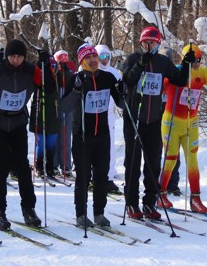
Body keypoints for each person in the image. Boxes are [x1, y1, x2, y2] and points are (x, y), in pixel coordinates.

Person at [0, 39, 54, 229]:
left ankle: (29, 208)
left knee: (22, 167)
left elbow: (49, 88)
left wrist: (46, 65)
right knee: (1, 167)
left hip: (18, 121)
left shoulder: (30, 70)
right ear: (7, 56)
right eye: (13, 56)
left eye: (19, 56)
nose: (16, 60)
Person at [120, 26, 190, 219]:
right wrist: (140, 64)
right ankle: (132, 203)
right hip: (134, 119)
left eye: (152, 42)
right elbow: (127, 80)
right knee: (133, 163)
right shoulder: (134, 58)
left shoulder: (163, 61)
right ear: (141, 43)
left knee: (153, 162)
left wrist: (187, 64)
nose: (148, 45)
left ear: (158, 43)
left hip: (153, 119)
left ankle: (150, 203)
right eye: (145, 42)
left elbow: (179, 80)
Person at [158, 44, 207, 213]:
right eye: (193, 62)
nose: (196, 66)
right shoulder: (175, 72)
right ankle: (161, 193)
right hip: (171, 122)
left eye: (198, 62)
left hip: (191, 122)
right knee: (171, 158)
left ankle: (196, 199)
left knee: (192, 160)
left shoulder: (203, 73)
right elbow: (157, 90)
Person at [69, 44, 123, 228]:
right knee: (83, 176)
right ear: (82, 61)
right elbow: (65, 106)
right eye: (88, 58)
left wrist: (124, 88)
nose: (93, 61)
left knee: (101, 175)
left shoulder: (107, 77)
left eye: (94, 57)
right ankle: (81, 214)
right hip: (82, 135)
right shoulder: (77, 79)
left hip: (102, 134)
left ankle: (99, 212)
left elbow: (121, 102)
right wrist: (76, 91)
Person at [30, 49, 62, 178]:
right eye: (51, 66)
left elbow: (53, 86)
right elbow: (37, 78)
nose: (54, 68)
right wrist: (40, 64)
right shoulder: (41, 71)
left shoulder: (59, 76)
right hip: (40, 110)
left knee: (51, 142)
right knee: (41, 142)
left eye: (55, 66)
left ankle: (50, 166)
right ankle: (39, 166)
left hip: (53, 113)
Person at [95, 44, 122, 194]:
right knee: (95, 147)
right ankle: (94, 175)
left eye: (107, 57)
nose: (104, 60)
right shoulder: (92, 72)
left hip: (109, 115)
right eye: (101, 57)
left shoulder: (114, 73)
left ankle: (109, 177)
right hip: (94, 114)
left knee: (109, 146)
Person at [53, 50, 76, 178]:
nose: (62, 64)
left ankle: (66, 166)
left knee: (66, 137)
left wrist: (66, 73)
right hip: (55, 107)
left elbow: (73, 85)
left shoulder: (71, 72)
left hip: (67, 107)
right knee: (55, 136)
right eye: (59, 62)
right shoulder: (54, 73)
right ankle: (54, 164)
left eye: (64, 61)